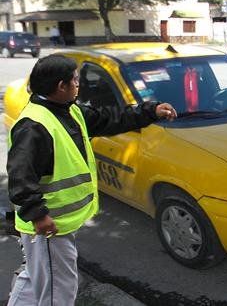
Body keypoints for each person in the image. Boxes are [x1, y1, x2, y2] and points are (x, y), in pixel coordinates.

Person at [6, 54, 177, 305]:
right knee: (58, 290)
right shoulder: (35, 126)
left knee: (37, 278)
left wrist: (150, 111)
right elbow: (20, 177)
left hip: (55, 224)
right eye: (75, 81)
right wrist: (39, 215)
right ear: (61, 86)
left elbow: (110, 118)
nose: (79, 85)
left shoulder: (68, 110)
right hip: (50, 227)